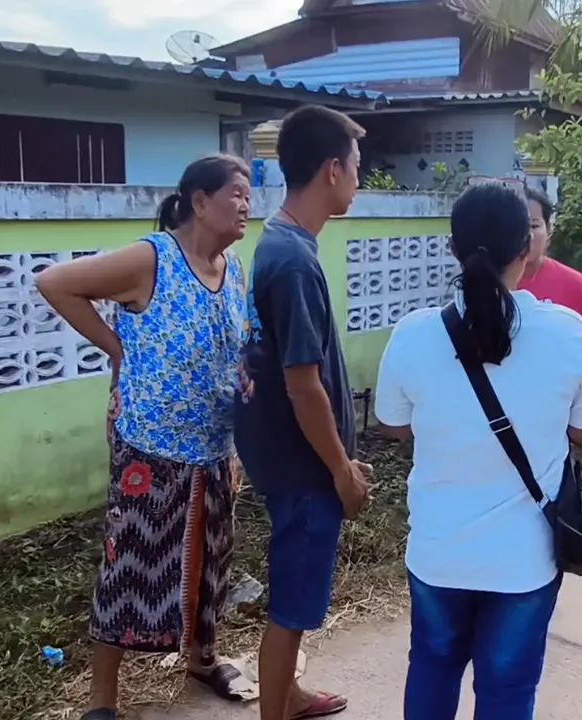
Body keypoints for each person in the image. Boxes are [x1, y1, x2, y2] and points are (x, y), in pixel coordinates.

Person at [373, 182, 582, 720]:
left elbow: (392, 424)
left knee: (432, 669)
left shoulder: (413, 335)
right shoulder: (570, 335)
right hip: (523, 563)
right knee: (507, 691)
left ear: (453, 247)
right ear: (526, 249)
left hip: (438, 553)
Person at [35, 154, 252, 720]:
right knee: (127, 567)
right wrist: (117, 348)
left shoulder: (235, 269)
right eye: (237, 192)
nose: (247, 203)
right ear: (200, 202)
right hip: (149, 449)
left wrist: (233, 447)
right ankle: (102, 702)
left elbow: (233, 360)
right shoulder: (151, 258)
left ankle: (203, 661)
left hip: (210, 450)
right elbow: (54, 283)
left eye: (250, 193)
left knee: (211, 564)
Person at [233, 105, 370, 720]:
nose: (360, 180)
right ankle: (276, 708)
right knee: (293, 598)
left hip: (292, 453)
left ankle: (286, 693)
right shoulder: (290, 260)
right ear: (332, 170)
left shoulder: (286, 244)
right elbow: (302, 385)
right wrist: (340, 469)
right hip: (302, 461)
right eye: (357, 167)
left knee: (299, 583)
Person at [516, 187, 582, 338]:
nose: (526, 235)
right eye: (517, 226)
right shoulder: (492, 282)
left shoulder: (573, 284)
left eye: (534, 226)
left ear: (549, 230)